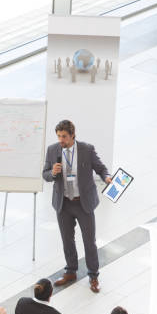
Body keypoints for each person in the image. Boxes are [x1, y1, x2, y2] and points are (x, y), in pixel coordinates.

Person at [42, 119, 112, 293]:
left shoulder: (86, 150)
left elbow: (101, 168)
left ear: (73, 135)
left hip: (83, 203)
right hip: (63, 203)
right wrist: (53, 173)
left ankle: (93, 275)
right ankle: (71, 271)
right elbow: (45, 174)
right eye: (58, 136)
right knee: (67, 240)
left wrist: (107, 178)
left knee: (89, 241)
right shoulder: (52, 150)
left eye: (64, 136)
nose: (61, 140)